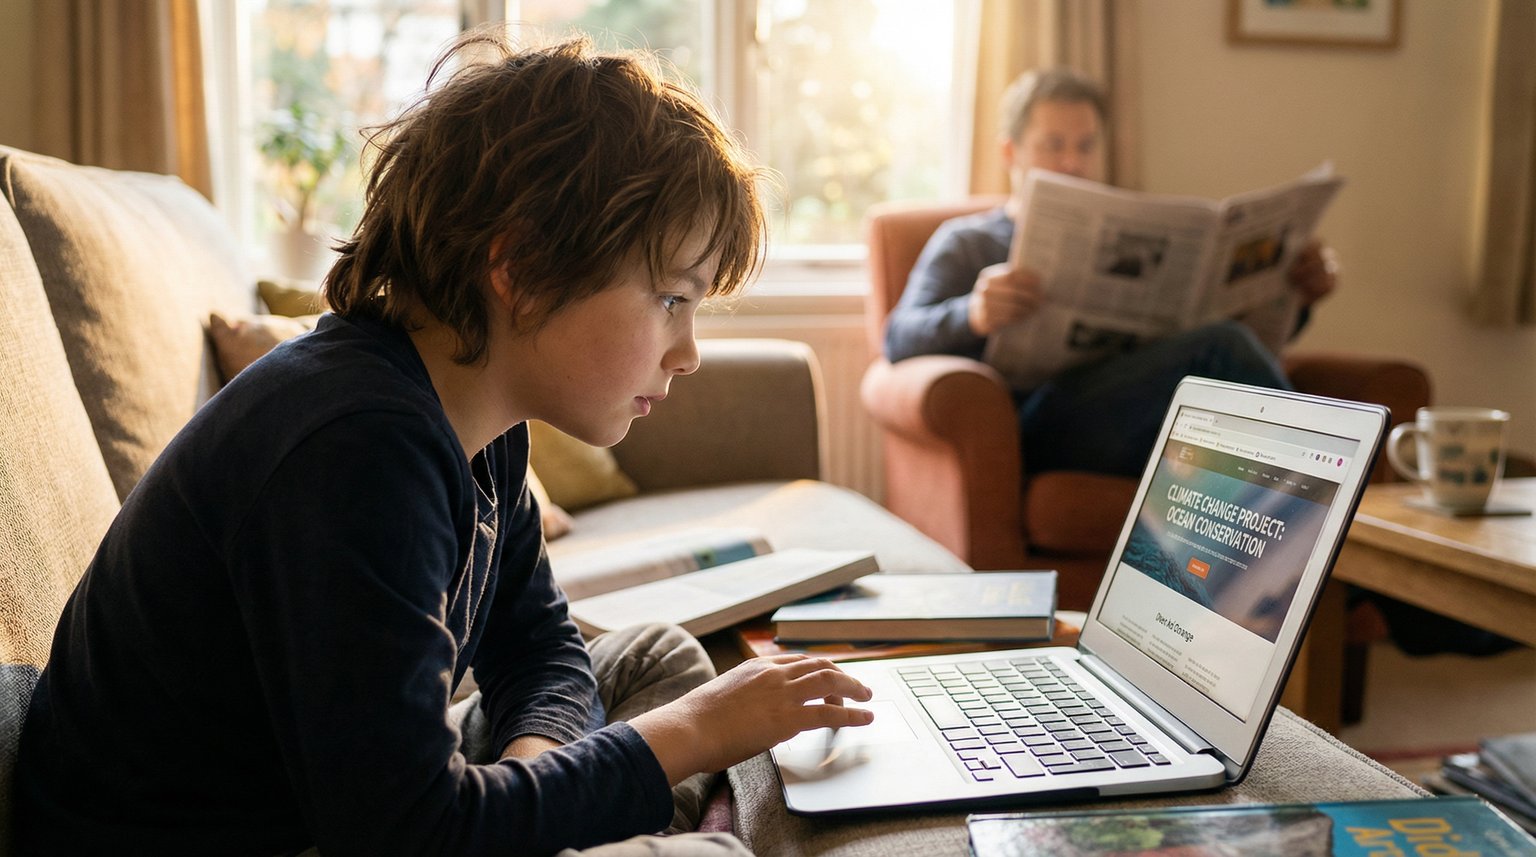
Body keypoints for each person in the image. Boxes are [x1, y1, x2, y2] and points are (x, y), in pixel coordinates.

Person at [16, 32, 874, 856]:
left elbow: (537, 643)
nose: (687, 353)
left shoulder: (477, 414)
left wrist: (537, 776)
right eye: (672, 299)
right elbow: (400, 835)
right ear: (525, 270)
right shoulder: (355, 450)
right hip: (254, 838)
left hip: (363, 802)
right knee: (700, 766)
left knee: (653, 654)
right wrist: (690, 734)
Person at [884, 67, 1339, 477]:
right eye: (1053, 145)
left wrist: (1296, 297)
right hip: (1043, 423)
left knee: (1213, 362)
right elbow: (897, 339)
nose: (1072, 162)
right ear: (1010, 152)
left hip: (1142, 409)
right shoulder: (968, 241)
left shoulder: (1134, 230)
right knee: (1218, 348)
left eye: (1085, 145)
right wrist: (973, 314)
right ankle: (1329, 478)